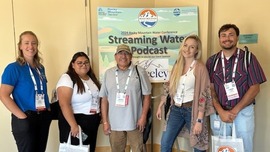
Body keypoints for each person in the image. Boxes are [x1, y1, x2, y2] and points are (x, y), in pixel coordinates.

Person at [206, 24, 267, 152]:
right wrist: (221, 111)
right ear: (219, 39)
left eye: (231, 35)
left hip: (242, 113)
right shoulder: (212, 61)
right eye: (223, 35)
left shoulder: (248, 58)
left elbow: (255, 88)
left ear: (237, 38)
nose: (227, 38)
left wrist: (234, 111)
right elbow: (210, 88)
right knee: (220, 147)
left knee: (243, 147)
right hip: (219, 114)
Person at [156, 34, 215, 152]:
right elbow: (169, 86)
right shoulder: (177, 65)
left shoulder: (200, 68)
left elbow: (204, 94)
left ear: (197, 50)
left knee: (198, 145)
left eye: (192, 47)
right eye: (186, 45)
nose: (187, 49)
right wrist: (161, 104)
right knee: (165, 143)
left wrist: (199, 120)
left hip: (192, 111)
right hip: (176, 110)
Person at [0, 31, 52, 152]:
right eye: (26, 43)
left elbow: (41, 90)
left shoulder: (40, 68)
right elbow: (3, 95)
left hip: (42, 117)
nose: (31, 46)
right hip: (25, 117)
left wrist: (48, 109)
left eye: (34, 43)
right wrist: (22, 117)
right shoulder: (13, 68)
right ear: (20, 46)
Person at [99, 44, 152, 152]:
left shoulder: (140, 72)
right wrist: (105, 122)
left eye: (126, 53)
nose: (123, 56)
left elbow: (147, 96)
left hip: (135, 122)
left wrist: (143, 117)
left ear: (131, 56)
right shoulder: (108, 73)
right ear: (115, 56)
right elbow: (104, 99)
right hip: (114, 124)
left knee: (139, 149)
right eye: (120, 53)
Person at [56, 52, 101, 152]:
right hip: (75, 121)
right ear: (73, 65)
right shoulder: (67, 78)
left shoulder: (91, 78)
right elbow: (64, 104)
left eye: (86, 62)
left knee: (88, 149)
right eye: (79, 63)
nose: (83, 65)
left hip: (91, 121)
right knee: (75, 149)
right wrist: (73, 125)